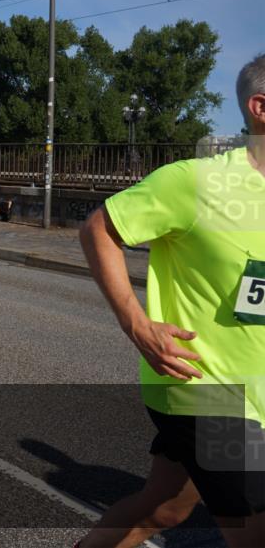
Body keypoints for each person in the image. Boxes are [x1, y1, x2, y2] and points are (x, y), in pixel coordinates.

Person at [75, 54, 265, 548]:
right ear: (260, 108)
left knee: (164, 508)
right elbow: (99, 229)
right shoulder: (195, 182)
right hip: (206, 388)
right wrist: (137, 326)